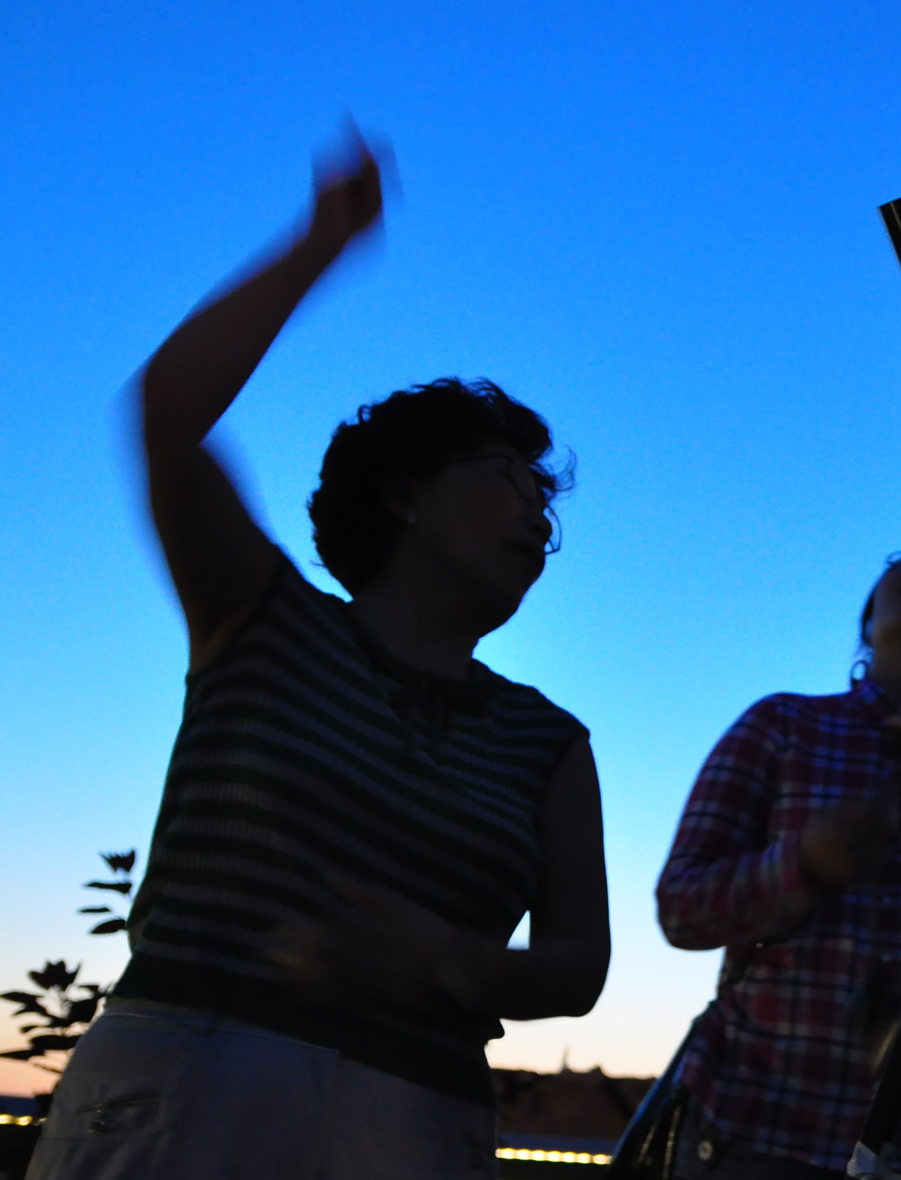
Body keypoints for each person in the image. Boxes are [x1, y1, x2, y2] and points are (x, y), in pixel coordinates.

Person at [31, 131, 610, 1180]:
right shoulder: (260, 617)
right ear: (405, 496)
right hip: (184, 1080)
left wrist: (443, 962)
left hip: (420, 1117)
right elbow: (167, 418)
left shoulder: (550, 741)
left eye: (548, 504)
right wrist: (324, 240)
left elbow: (578, 965)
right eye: (505, 477)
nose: (538, 514)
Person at [656, 545, 901, 1179]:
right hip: (756, 1132)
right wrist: (804, 863)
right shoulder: (782, 725)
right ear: (869, 625)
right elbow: (681, 909)